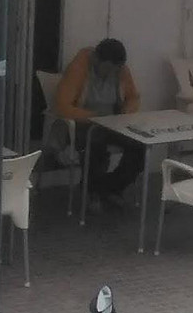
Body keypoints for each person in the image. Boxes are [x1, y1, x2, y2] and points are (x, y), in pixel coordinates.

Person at [56, 38, 143, 208]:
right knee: (95, 144)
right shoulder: (78, 68)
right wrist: (93, 116)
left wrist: (127, 110)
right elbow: (61, 106)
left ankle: (110, 188)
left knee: (139, 147)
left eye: (115, 70)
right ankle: (93, 192)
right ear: (96, 59)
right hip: (83, 122)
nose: (110, 73)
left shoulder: (121, 71)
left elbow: (133, 97)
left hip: (113, 122)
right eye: (107, 68)